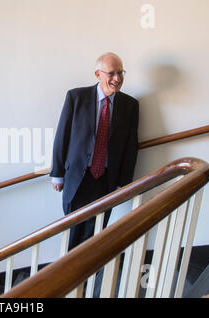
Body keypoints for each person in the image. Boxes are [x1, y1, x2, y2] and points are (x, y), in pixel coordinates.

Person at [50, 52, 139, 250]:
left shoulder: (131, 106)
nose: (117, 79)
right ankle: (68, 275)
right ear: (98, 74)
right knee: (73, 232)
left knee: (96, 236)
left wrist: (123, 184)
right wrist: (57, 174)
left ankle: (87, 277)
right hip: (77, 178)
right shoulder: (76, 97)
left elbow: (131, 147)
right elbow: (62, 136)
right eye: (112, 73)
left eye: (121, 73)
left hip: (106, 181)